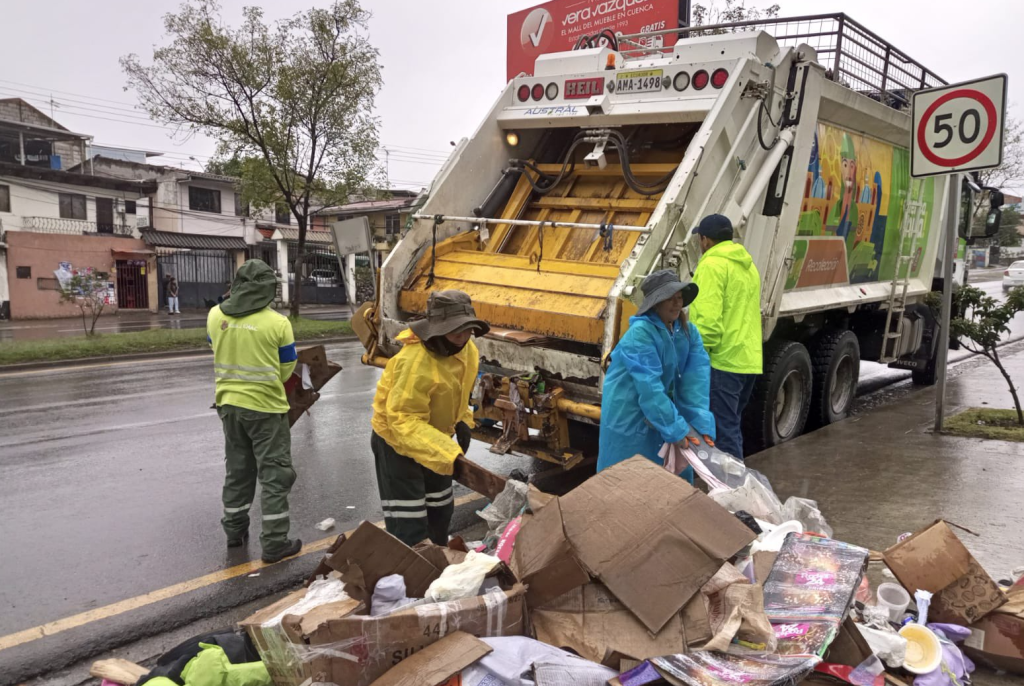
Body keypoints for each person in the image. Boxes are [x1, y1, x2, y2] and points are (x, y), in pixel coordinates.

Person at [370, 290, 489, 547]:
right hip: (396, 443)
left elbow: (460, 390)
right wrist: (448, 452)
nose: (463, 337)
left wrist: (463, 420)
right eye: (456, 331)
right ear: (438, 329)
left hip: (435, 439)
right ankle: (412, 568)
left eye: (467, 329)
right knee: (409, 523)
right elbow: (403, 421)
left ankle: (439, 561)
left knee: (440, 510)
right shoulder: (415, 361)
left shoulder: (467, 350)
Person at [207, 259, 300, 563]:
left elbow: (215, 347)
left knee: (238, 470)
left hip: (228, 406)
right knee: (274, 474)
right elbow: (287, 369)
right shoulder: (278, 323)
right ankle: (274, 543)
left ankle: (234, 531)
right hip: (266, 409)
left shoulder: (214, 315)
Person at [598, 269, 716, 482]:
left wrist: (700, 426)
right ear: (655, 304)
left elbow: (695, 383)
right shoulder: (640, 334)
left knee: (670, 484)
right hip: (629, 414)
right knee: (628, 479)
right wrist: (677, 429)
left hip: (662, 410)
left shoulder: (689, 333)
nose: (677, 303)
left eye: (679, 297)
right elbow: (649, 388)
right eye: (670, 298)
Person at [689, 214, 763, 460]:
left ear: (705, 240)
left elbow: (708, 324)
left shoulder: (712, 265)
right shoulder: (748, 266)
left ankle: (732, 482)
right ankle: (732, 477)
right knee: (731, 424)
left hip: (723, 361)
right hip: (748, 360)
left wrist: (695, 359)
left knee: (723, 432)